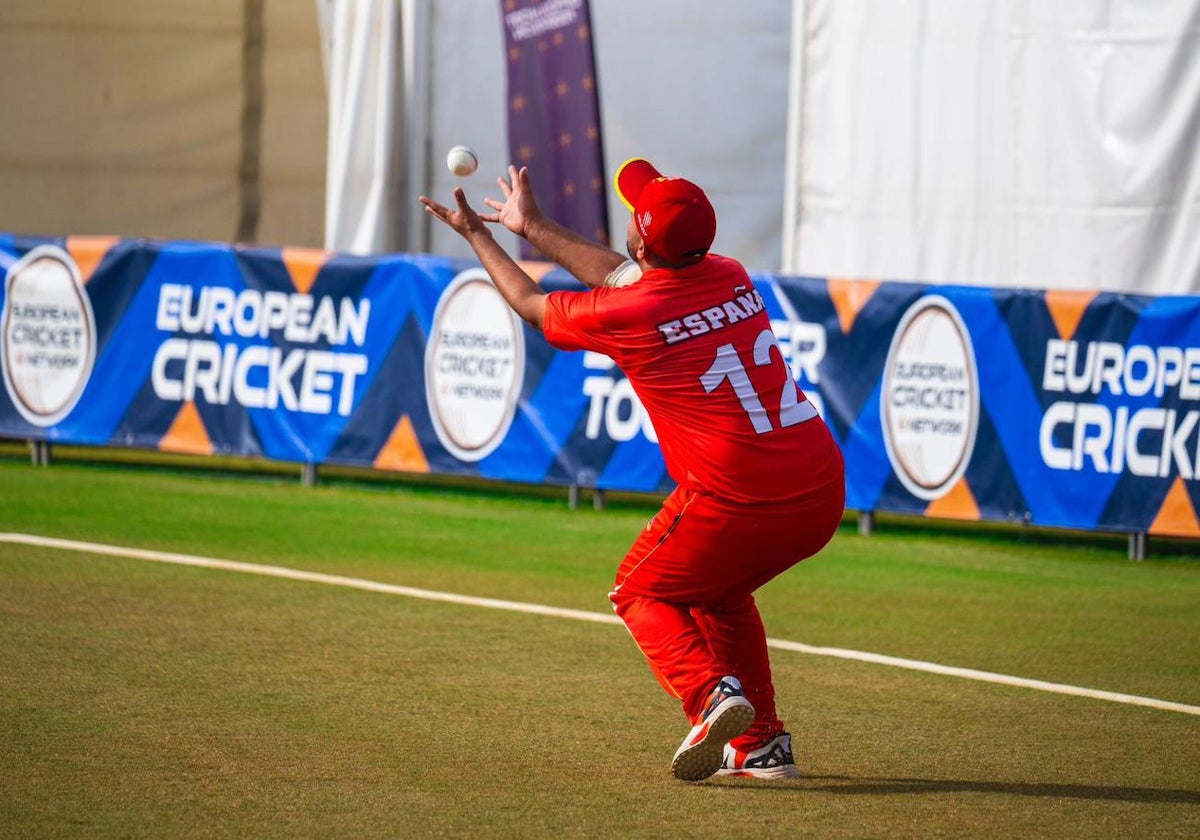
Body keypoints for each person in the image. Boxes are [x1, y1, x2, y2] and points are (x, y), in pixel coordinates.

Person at [419, 159, 845, 782]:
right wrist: (532, 226)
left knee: (639, 591)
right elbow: (626, 277)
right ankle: (761, 747)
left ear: (643, 240)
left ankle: (710, 697)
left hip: (735, 496)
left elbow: (533, 304)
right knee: (720, 596)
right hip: (818, 487)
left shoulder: (632, 313)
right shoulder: (729, 274)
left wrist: (479, 237)